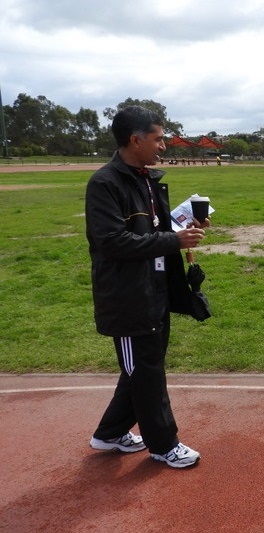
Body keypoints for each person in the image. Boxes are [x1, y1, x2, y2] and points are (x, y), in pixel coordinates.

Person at [85, 106, 209, 467]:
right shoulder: (105, 183)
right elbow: (112, 242)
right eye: (158, 139)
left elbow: (153, 229)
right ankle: (164, 445)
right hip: (126, 298)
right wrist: (175, 241)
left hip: (153, 289)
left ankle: (110, 434)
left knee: (143, 366)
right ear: (136, 140)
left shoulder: (145, 179)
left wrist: (183, 225)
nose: (164, 147)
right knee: (146, 372)